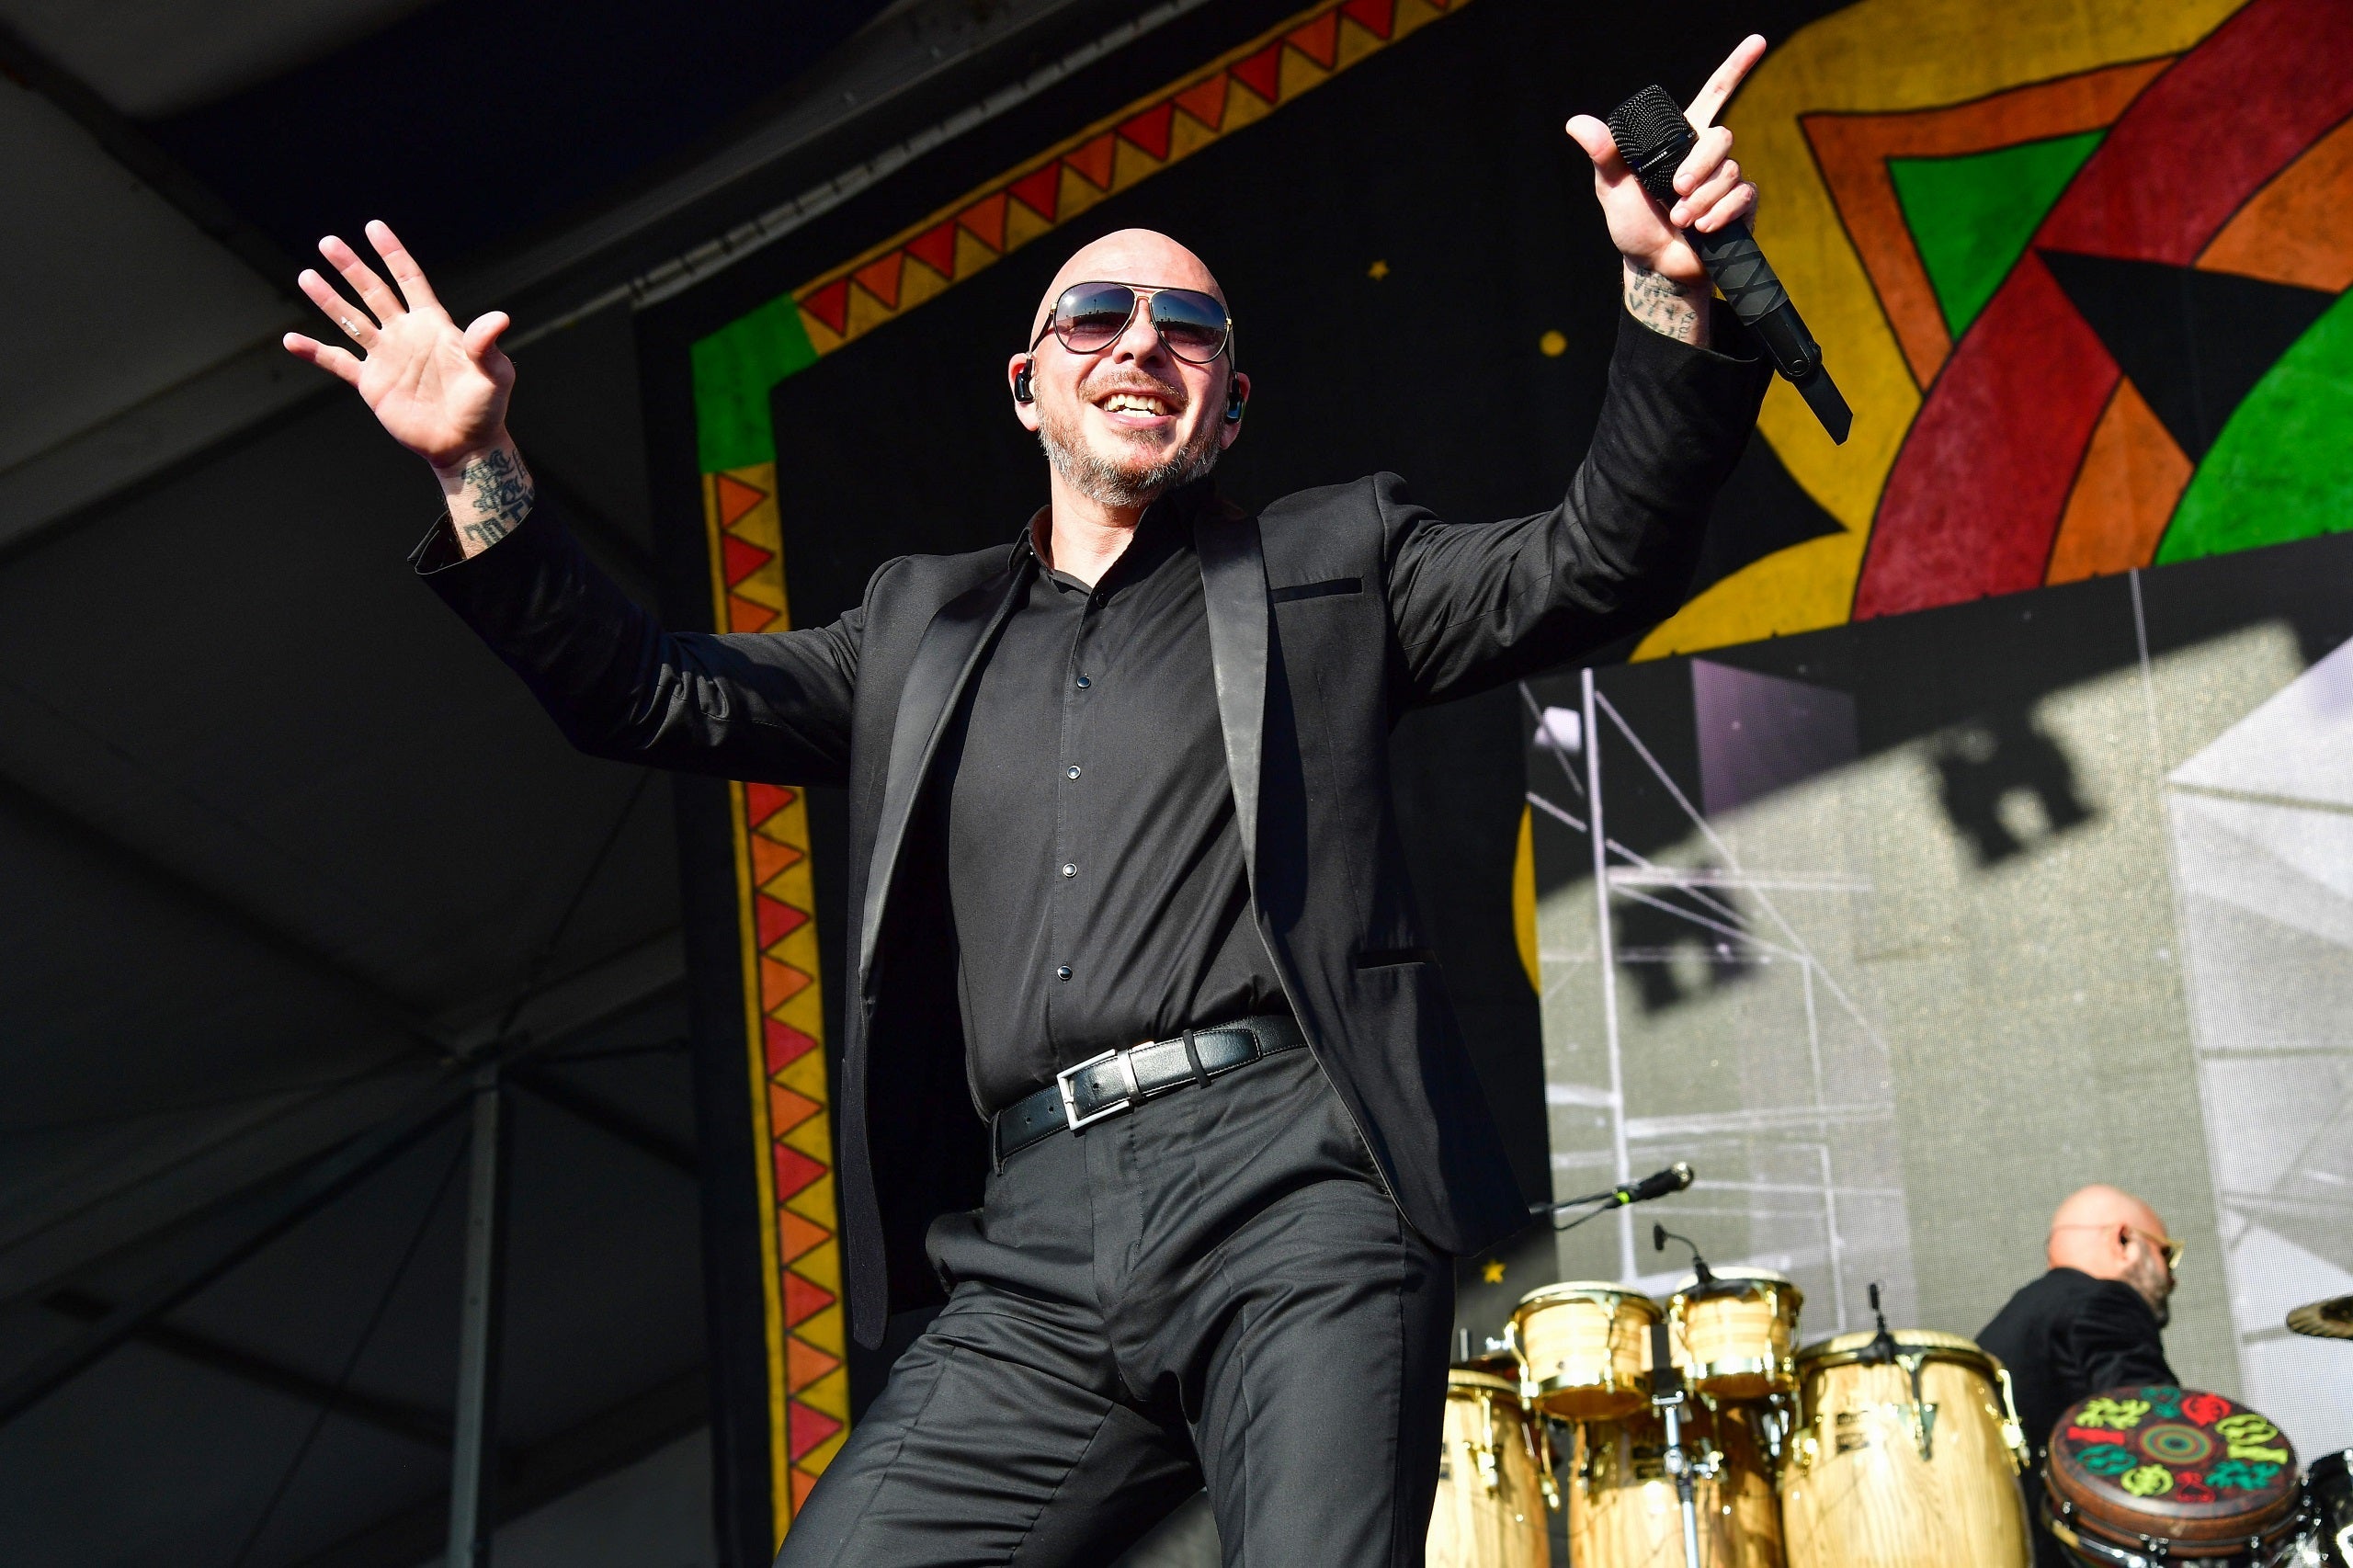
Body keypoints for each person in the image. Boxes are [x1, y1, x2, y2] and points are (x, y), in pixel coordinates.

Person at [284, 37, 1774, 1567]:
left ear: (1230, 407)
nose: (1143, 346)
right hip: (1035, 1242)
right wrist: (478, 468)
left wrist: (1667, 290)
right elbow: (646, 692)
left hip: (1293, 1183)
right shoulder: (915, 630)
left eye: (1189, 329)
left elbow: (1598, 560)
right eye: (1098, 316)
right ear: (1028, 385)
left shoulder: (1337, 564)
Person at [1979, 1184, 2182, 1568]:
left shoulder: (2008, 1326)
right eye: (2165, 1253)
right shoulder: (2104, 1301)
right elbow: (2159, 1437)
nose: (2172, 1278)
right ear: (2124, 1241)